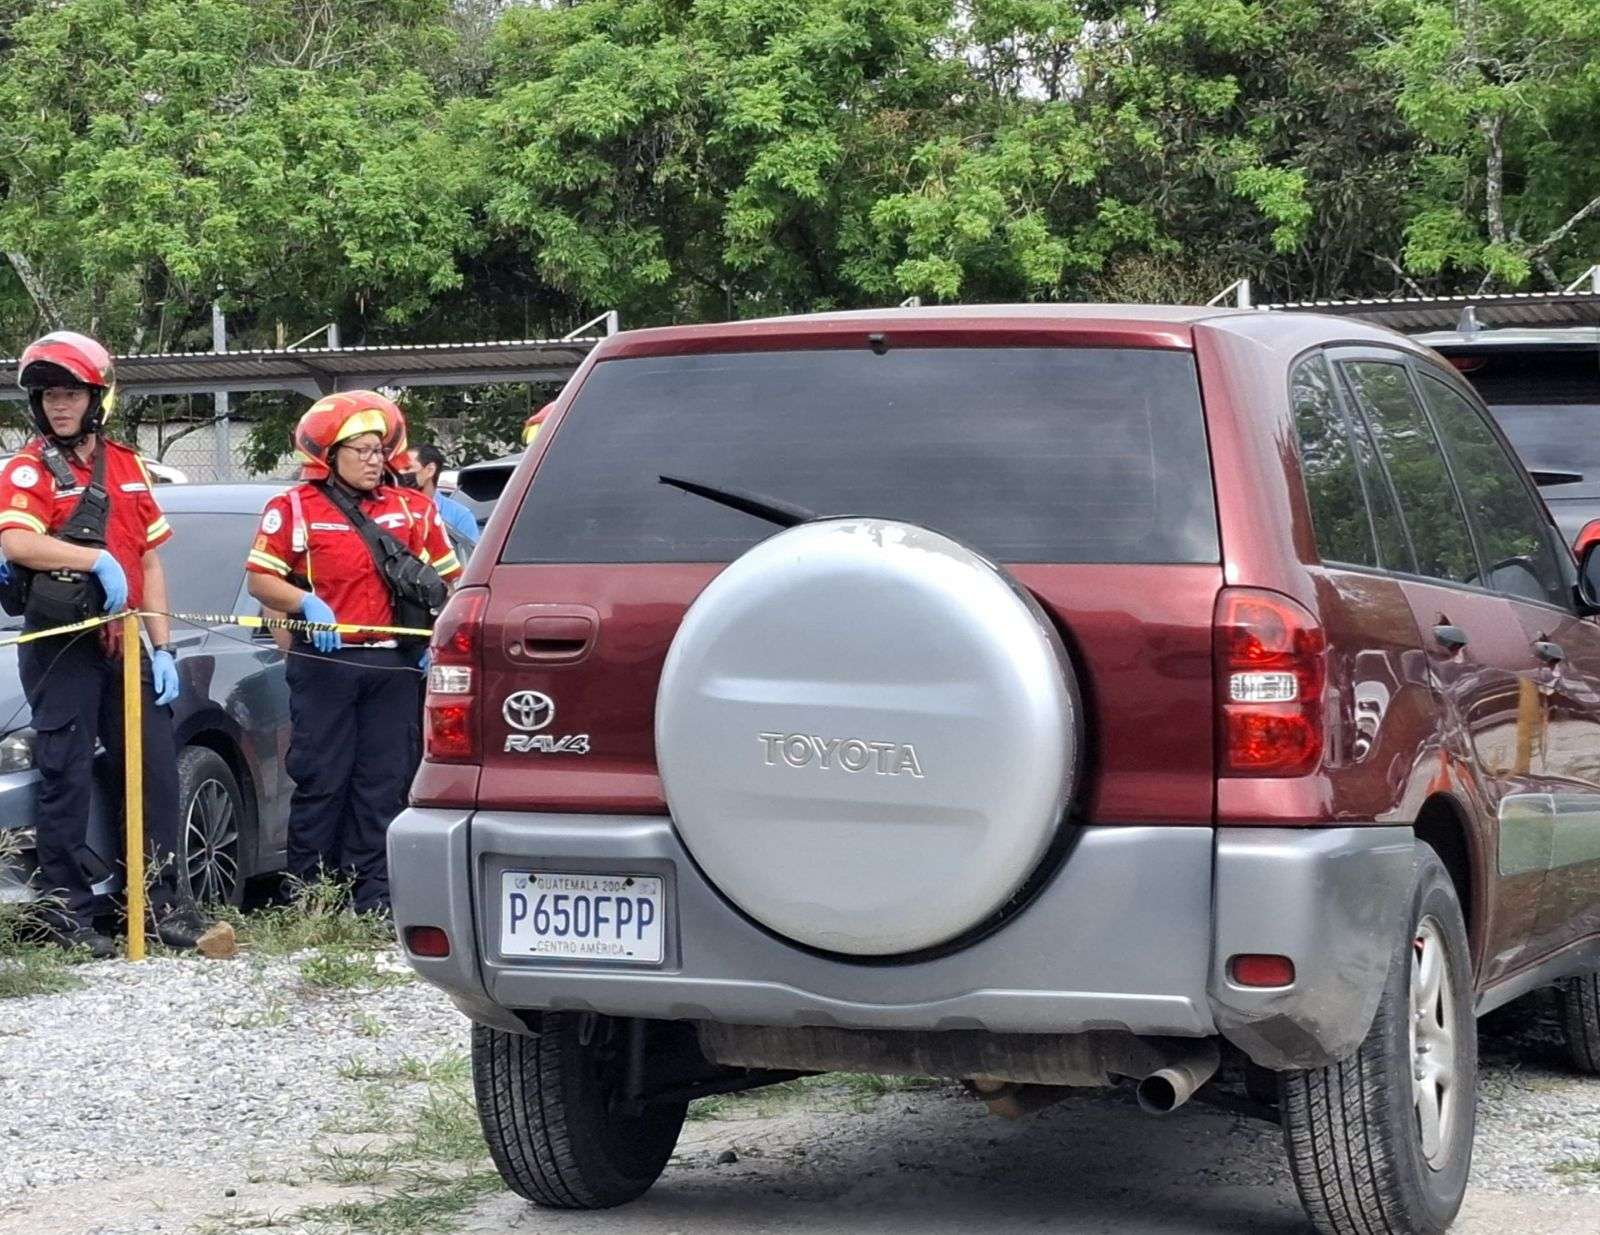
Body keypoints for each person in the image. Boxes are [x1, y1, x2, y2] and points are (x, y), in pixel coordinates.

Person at [0, 330, 210, 955]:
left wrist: (163, 645)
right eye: (47, 396)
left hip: (126, 647)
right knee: (64, 773)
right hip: (61, 644)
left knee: (152, 771)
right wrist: (91, 562)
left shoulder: (126, 465)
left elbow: (147, 563)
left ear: (97, 398)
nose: (58, 406)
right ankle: (66, 913)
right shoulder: (27, 469)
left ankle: (160, 903)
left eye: (70, 393)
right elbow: (17, 541)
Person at [244, 391, 461, 914]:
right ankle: (312, 897)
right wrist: (305, 603)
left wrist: (438, 640)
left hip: (394, 665)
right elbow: (259, 578)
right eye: (359, 449)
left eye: (377, 449)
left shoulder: (414, 508)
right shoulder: (293, 508)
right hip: (325, 664)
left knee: (384, 785)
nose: (372, 459)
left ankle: (377, 901)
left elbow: (451, 582)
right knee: (322, 780)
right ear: (329, 456)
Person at [404, 443, 478, 547]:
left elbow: (470, 560)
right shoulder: (395, 510)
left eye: (407, 468)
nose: (400, 473)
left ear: (430, 470)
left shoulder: (460, 516)